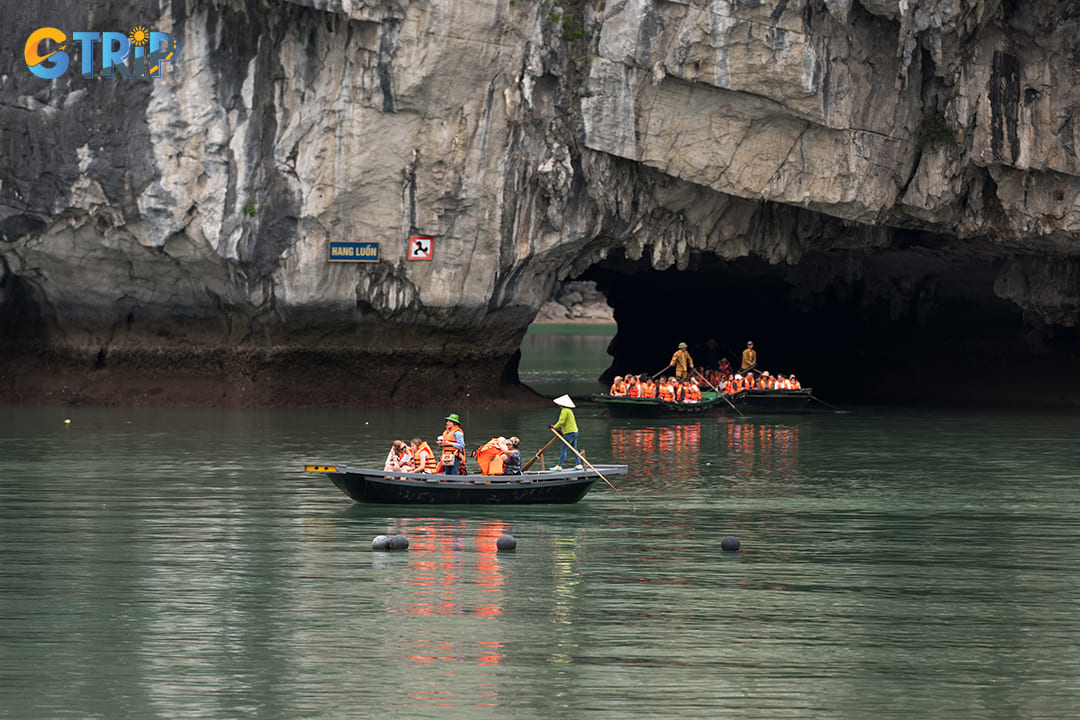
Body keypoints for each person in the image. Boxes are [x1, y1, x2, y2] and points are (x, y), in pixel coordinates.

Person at [550, 394, 581, 471]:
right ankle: (579, 465)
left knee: (563, 449)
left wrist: (553, 427)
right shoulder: (569, 410)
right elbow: (568, 422)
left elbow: (561, 422)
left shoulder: (564, 410)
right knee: (574, 449)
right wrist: (562, 431)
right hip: (574, 432)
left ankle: (559, 466)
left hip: (569, 433)